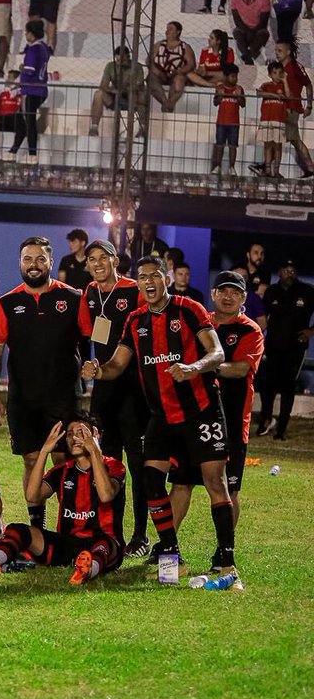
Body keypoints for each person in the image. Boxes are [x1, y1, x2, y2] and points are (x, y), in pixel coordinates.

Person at [81, 256, 237, 575]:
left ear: (166, 279)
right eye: (142, 277)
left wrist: (193, 367)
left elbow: (217, 352)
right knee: (151, 480)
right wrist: (98, 371)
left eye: (154, 276)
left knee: (215, 482)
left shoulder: (189, 309)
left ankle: (227, 560)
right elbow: (117, 365)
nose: (148, 282)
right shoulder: (135, 321)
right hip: (162, 416)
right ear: (138, 283)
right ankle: (171, 553)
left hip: (201, 410)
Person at [0, 414, 123, 585]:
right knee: (17, 530)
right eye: (70, 434)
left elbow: (106, 495)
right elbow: (32, 496)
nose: (75, 438)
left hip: (104, 543)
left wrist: (94, 451)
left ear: (95, 435)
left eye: (81, 432)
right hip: (67, 543)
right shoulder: (62, 470)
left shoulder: (113, 466)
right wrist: (44, 452)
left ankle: (88, 570)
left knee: (103, 545)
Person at [0, 237, 83, 529]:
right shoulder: (7, 303)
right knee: (31, 459)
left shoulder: (73, 298)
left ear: (51, 262)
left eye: (41, 259)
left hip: (63, 396)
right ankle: (36, 527)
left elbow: (95, 338)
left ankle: (69, 525)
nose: (34, 265)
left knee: (64, 460)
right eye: (28, 259)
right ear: (19, 263)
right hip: (24, 398)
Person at [171, 271, 262, 531]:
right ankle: (167, 543)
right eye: (223, 291)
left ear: (243, 298)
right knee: (181, 482)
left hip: (232, 419)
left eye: (235, 292)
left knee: (228, 488)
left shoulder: (250, 329)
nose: (228, 297)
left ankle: (225, 547)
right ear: (213, 294)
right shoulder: (199, 323)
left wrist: (200, 367)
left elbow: (241, 369)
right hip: (194, 416)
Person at [77, 238, 150, 556]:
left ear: (115, 261)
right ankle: (111, 533)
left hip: (135, 388)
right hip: (104, 387)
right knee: (107, 463)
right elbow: (86, 334)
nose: (97, 264)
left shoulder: (134, 290)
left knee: (137, 464)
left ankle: (140, 535)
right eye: (91, 259)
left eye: (102, 258)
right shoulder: (90, 292)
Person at [257, 259, 314, 440]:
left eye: (293, 271)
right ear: (279, 272)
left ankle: (282, 427)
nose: (290, 274)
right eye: (286, 270)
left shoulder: (307, 291)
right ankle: (266, 419)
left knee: (288, 386)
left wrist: (311, 331)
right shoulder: (271, 292)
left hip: (296, 347)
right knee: (267, 385)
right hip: (273, 345)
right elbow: (262, 317)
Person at [9, 19, 50, 158]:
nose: (26, 35)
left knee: (29, 122)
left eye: (26, 32)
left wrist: (21, 67)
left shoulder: (33, 49)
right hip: (41, 89)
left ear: (31, 34)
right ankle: (13, 151)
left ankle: (32, 154)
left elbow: (30, 70)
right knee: (23, 120)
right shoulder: (44, 47)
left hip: (31, 90)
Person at [274, 40, 314, 178]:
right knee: (279, 137)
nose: (276, 53)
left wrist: (309, 105)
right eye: (276, 50)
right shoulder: (279, 67)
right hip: (281, 107)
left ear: (288, 52)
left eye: (280, 50)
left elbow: (308, 85)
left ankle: (310, 168)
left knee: (294, 139)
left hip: (291, 107)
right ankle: (269, 167)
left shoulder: (295, 67)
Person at [148, 21, 195, 113]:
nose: (167, 31)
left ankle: (171, 103)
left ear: (178, 32)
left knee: (179, 81)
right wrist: (157, 72)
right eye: (167, 29)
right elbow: (149, 61)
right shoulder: (159, 45)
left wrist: (179, 71)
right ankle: (165, 102)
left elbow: (191, 64)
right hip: (159, 74)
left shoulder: (185, 47)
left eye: (171, 29)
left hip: (176, 74)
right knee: (151, 79)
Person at [254, 60, 290, 179]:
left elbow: (288, 96)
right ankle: (268, 169)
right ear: (269, 74)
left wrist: (285, 80)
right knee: (268, 145)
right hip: (266, 119)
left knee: (278, 146)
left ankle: (276, 171)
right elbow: (259, 94)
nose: (277, 75)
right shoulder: (266, 85)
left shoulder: (284, 86)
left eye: (280, 73)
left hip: (279, 120)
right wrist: (274, 95)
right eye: (274, 73)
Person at [228, 0, 270, 64]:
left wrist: (252, 32)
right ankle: (248, 58)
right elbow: (237, 20)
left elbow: (263, 21)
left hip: (259, 28)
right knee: (237, 32)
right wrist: (248, 31)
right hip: (243, 28)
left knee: (263, 33)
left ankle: (247, 56)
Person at [211, 63, 245, 175]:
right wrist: (220, 96)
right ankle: (217, 166)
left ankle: (232, 167)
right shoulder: (220, 88)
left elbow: (243, 104)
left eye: (236, 76)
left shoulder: (239, 89)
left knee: (233, 146)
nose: (235, 79)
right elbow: (215, 103)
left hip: (234, 123)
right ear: (226, 76)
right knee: (219, 144)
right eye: (232, 76)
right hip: (221, 121)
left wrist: (239, 96)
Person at [0, 69, 21, 160]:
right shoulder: (1, 92)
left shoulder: (21, 91)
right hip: (3, 117)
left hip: (16, 118)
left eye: (9, 77)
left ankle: (13, 151)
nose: (7, 80)